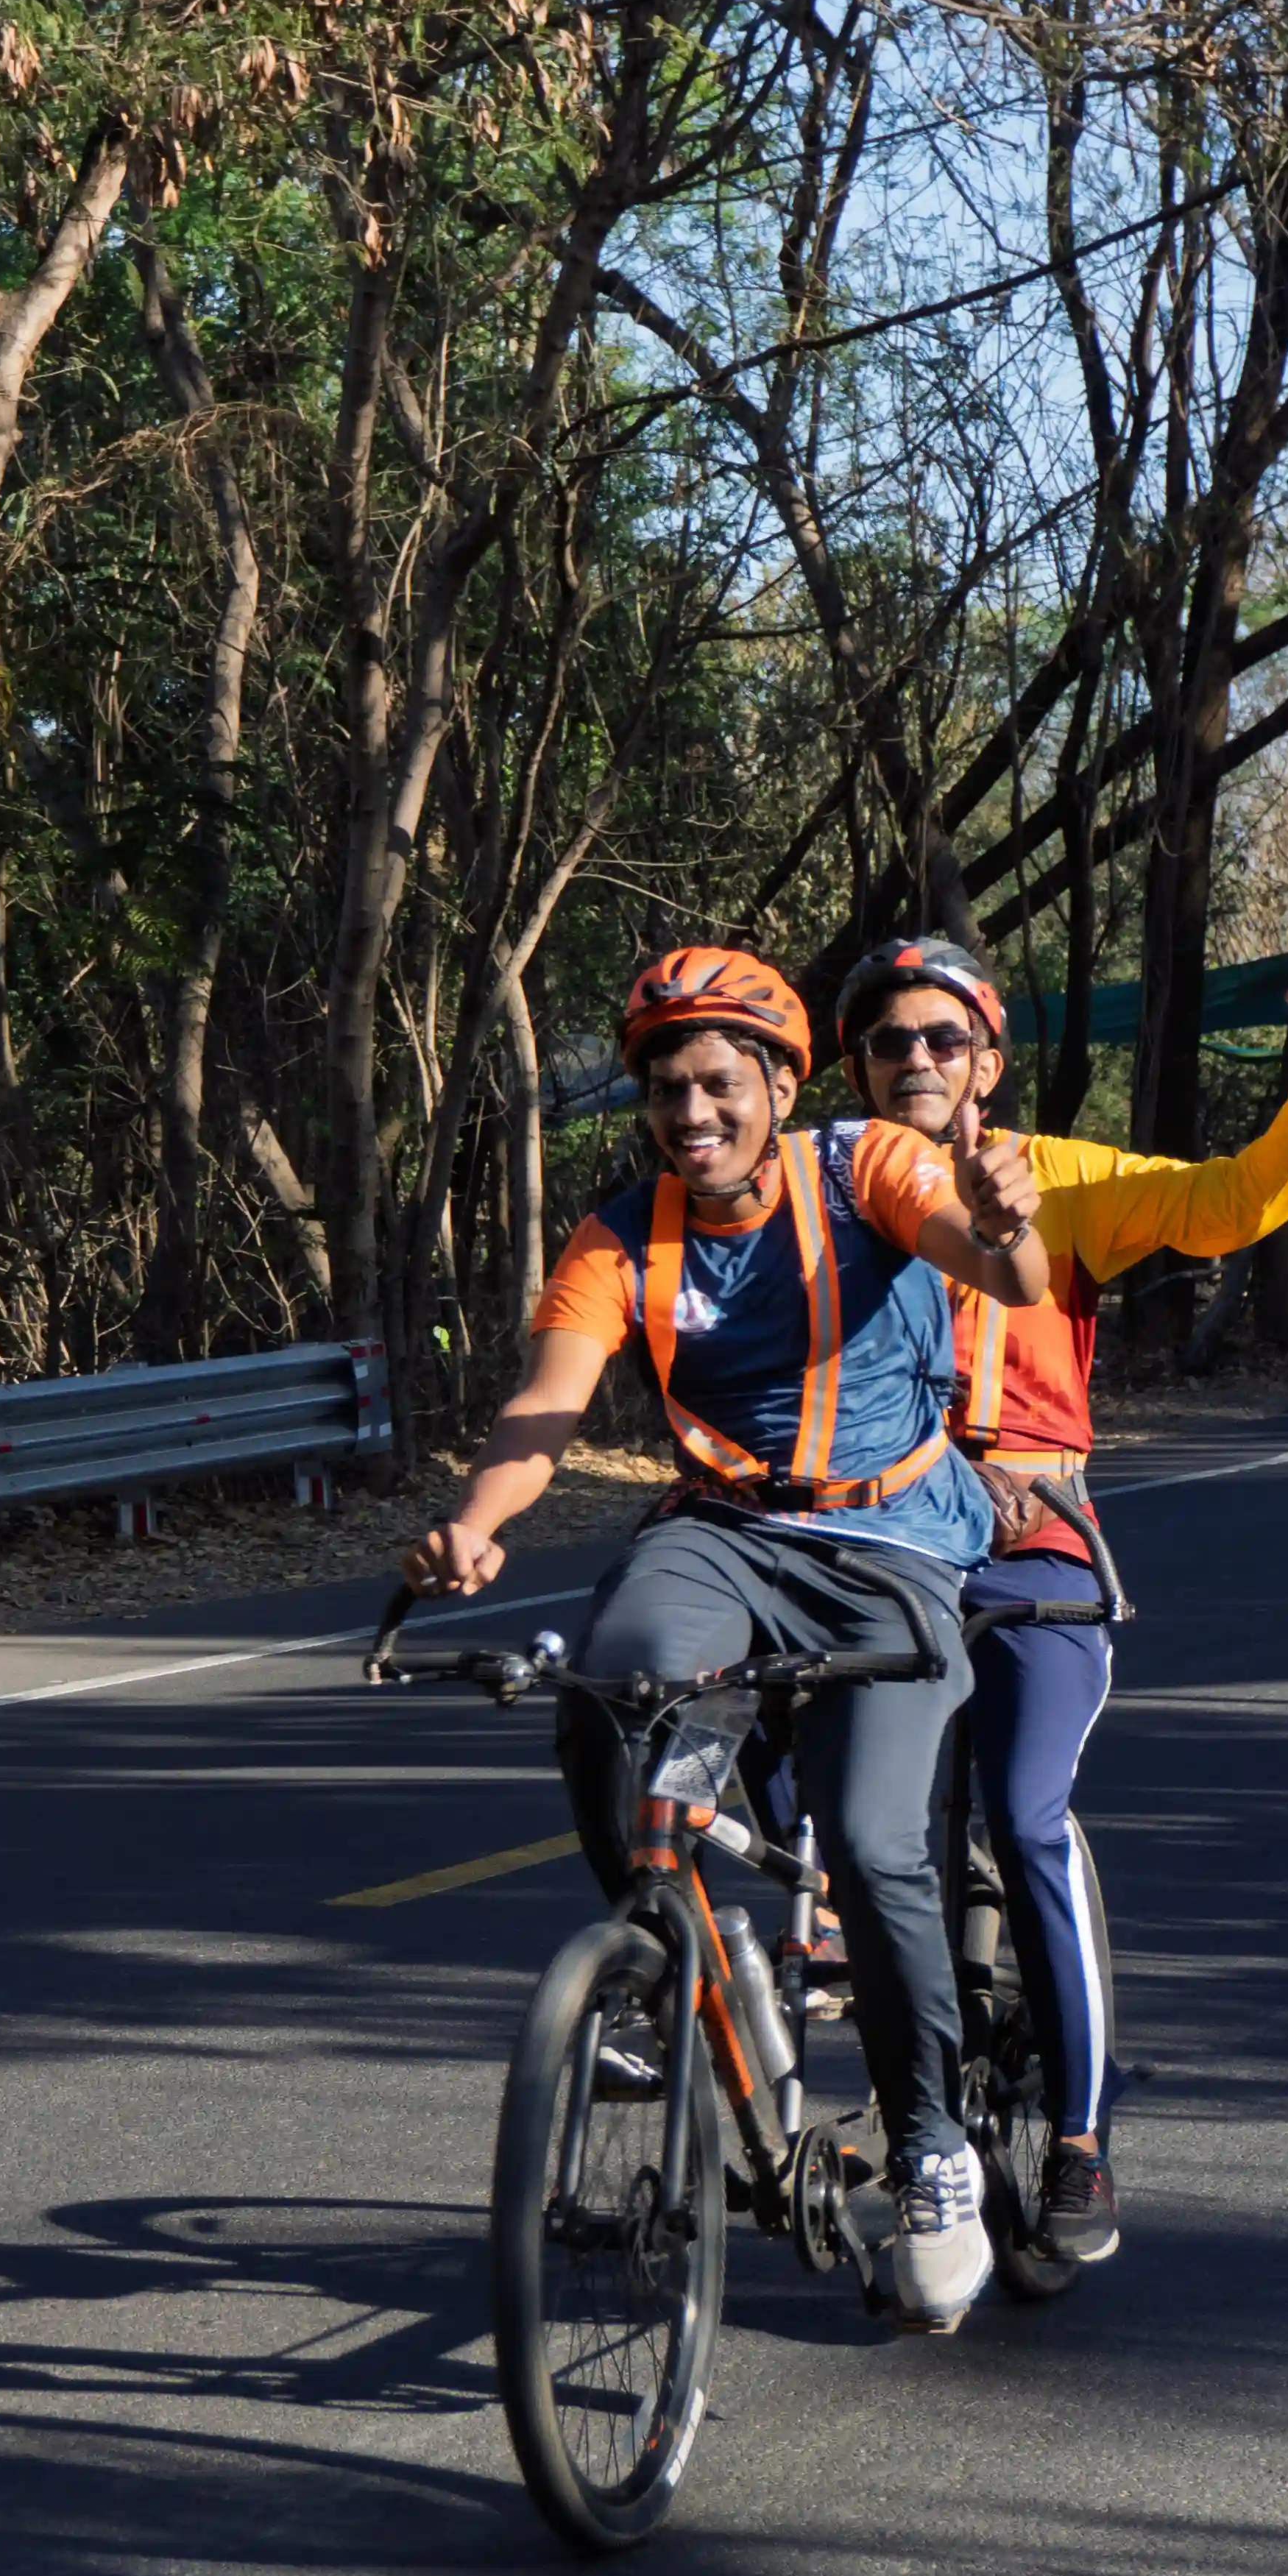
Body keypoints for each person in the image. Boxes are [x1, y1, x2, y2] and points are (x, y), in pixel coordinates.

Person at [399, 945, 1054, 2330]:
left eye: (716, 1084)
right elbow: (542, 1413)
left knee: (875, 1841)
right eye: (662, 1089)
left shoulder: (866, 1166)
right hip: (728, 1533)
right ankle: (663, 1961)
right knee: (605, 1689)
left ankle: (932, 2146)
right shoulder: (619, 1235)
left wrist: (1006, 1224)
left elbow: (998, 1268)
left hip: (891, 1540)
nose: (689, 1113)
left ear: (776, 1083)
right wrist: (476, 1521)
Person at [828, 916, 1288, 2269]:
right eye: (888, 1040)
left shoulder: (1062, 1183)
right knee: (777, 1793)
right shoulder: (821, 1186)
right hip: (872, 1540)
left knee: (1023, 1813)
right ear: (853, 1063)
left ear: (989, 1065)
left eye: (942, 1038)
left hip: (1032, 1542)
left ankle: (1077, 2141)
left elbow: (1232, 1200)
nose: (915, 1059)